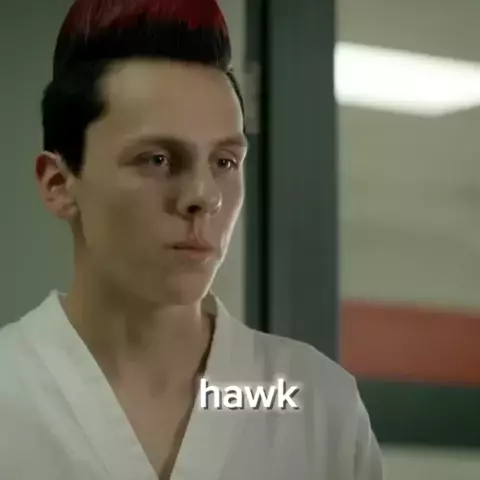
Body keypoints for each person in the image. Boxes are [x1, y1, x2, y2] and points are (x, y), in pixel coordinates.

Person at [0, 0, 383, 478]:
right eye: (158, 159)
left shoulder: (316, 404)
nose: (204, 196)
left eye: (224, 162)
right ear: (59, 184)